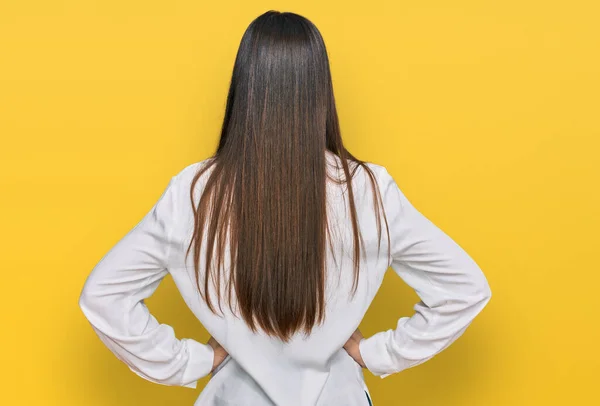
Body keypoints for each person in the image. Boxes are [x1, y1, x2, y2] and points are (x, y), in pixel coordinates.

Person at [78, 10, 492, 406]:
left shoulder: (195, 191)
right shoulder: (366, 190)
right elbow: (465, 288)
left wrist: (193, 361)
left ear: (245, 87)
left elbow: (104, 297)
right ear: (319, 90)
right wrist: (378, 353)